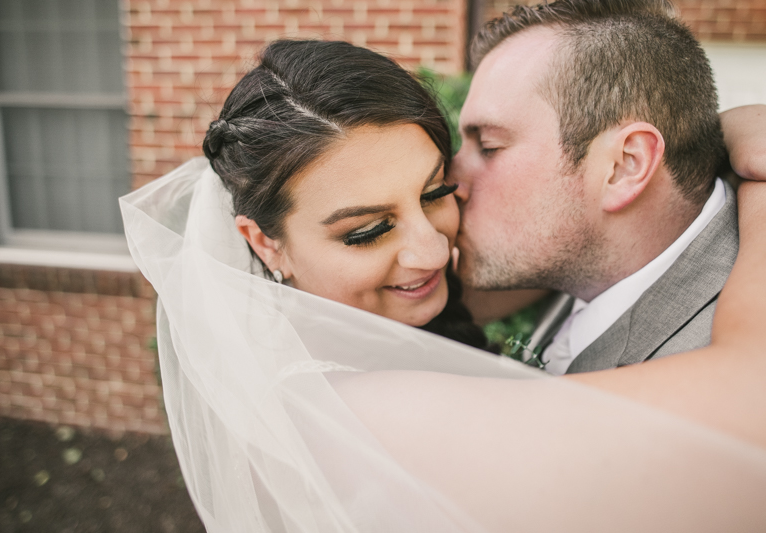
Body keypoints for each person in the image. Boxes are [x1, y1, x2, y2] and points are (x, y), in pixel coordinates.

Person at [120, 36, 766, 533]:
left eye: (435, 192)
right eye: (367, 230)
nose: (432, 248)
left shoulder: (367, 305)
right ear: (265, 242)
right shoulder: (347, 412)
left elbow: (569, 248)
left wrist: (706, 135)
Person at [451, 0, 755, 375]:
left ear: (625, 166)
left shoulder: (719, 366)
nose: (450, 184)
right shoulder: (582, 258)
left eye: (488, 147)